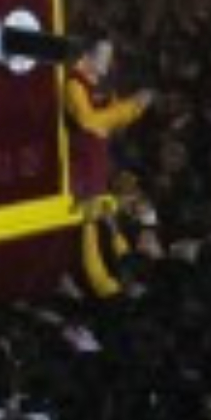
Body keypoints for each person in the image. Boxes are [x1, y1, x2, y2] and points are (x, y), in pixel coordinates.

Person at [63, 36, 153, 297]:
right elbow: (89, 122)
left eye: (109, 56)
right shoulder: (74, 84)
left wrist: (135, 108)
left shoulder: (102, 84)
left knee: (101, 216)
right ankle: (96, 279)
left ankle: (122, 264)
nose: (107, 62)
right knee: (92, 216)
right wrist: (130, 107)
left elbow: (111, 120)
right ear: (86, 57)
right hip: (83, 161)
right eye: (102, 55)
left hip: (96, 159)